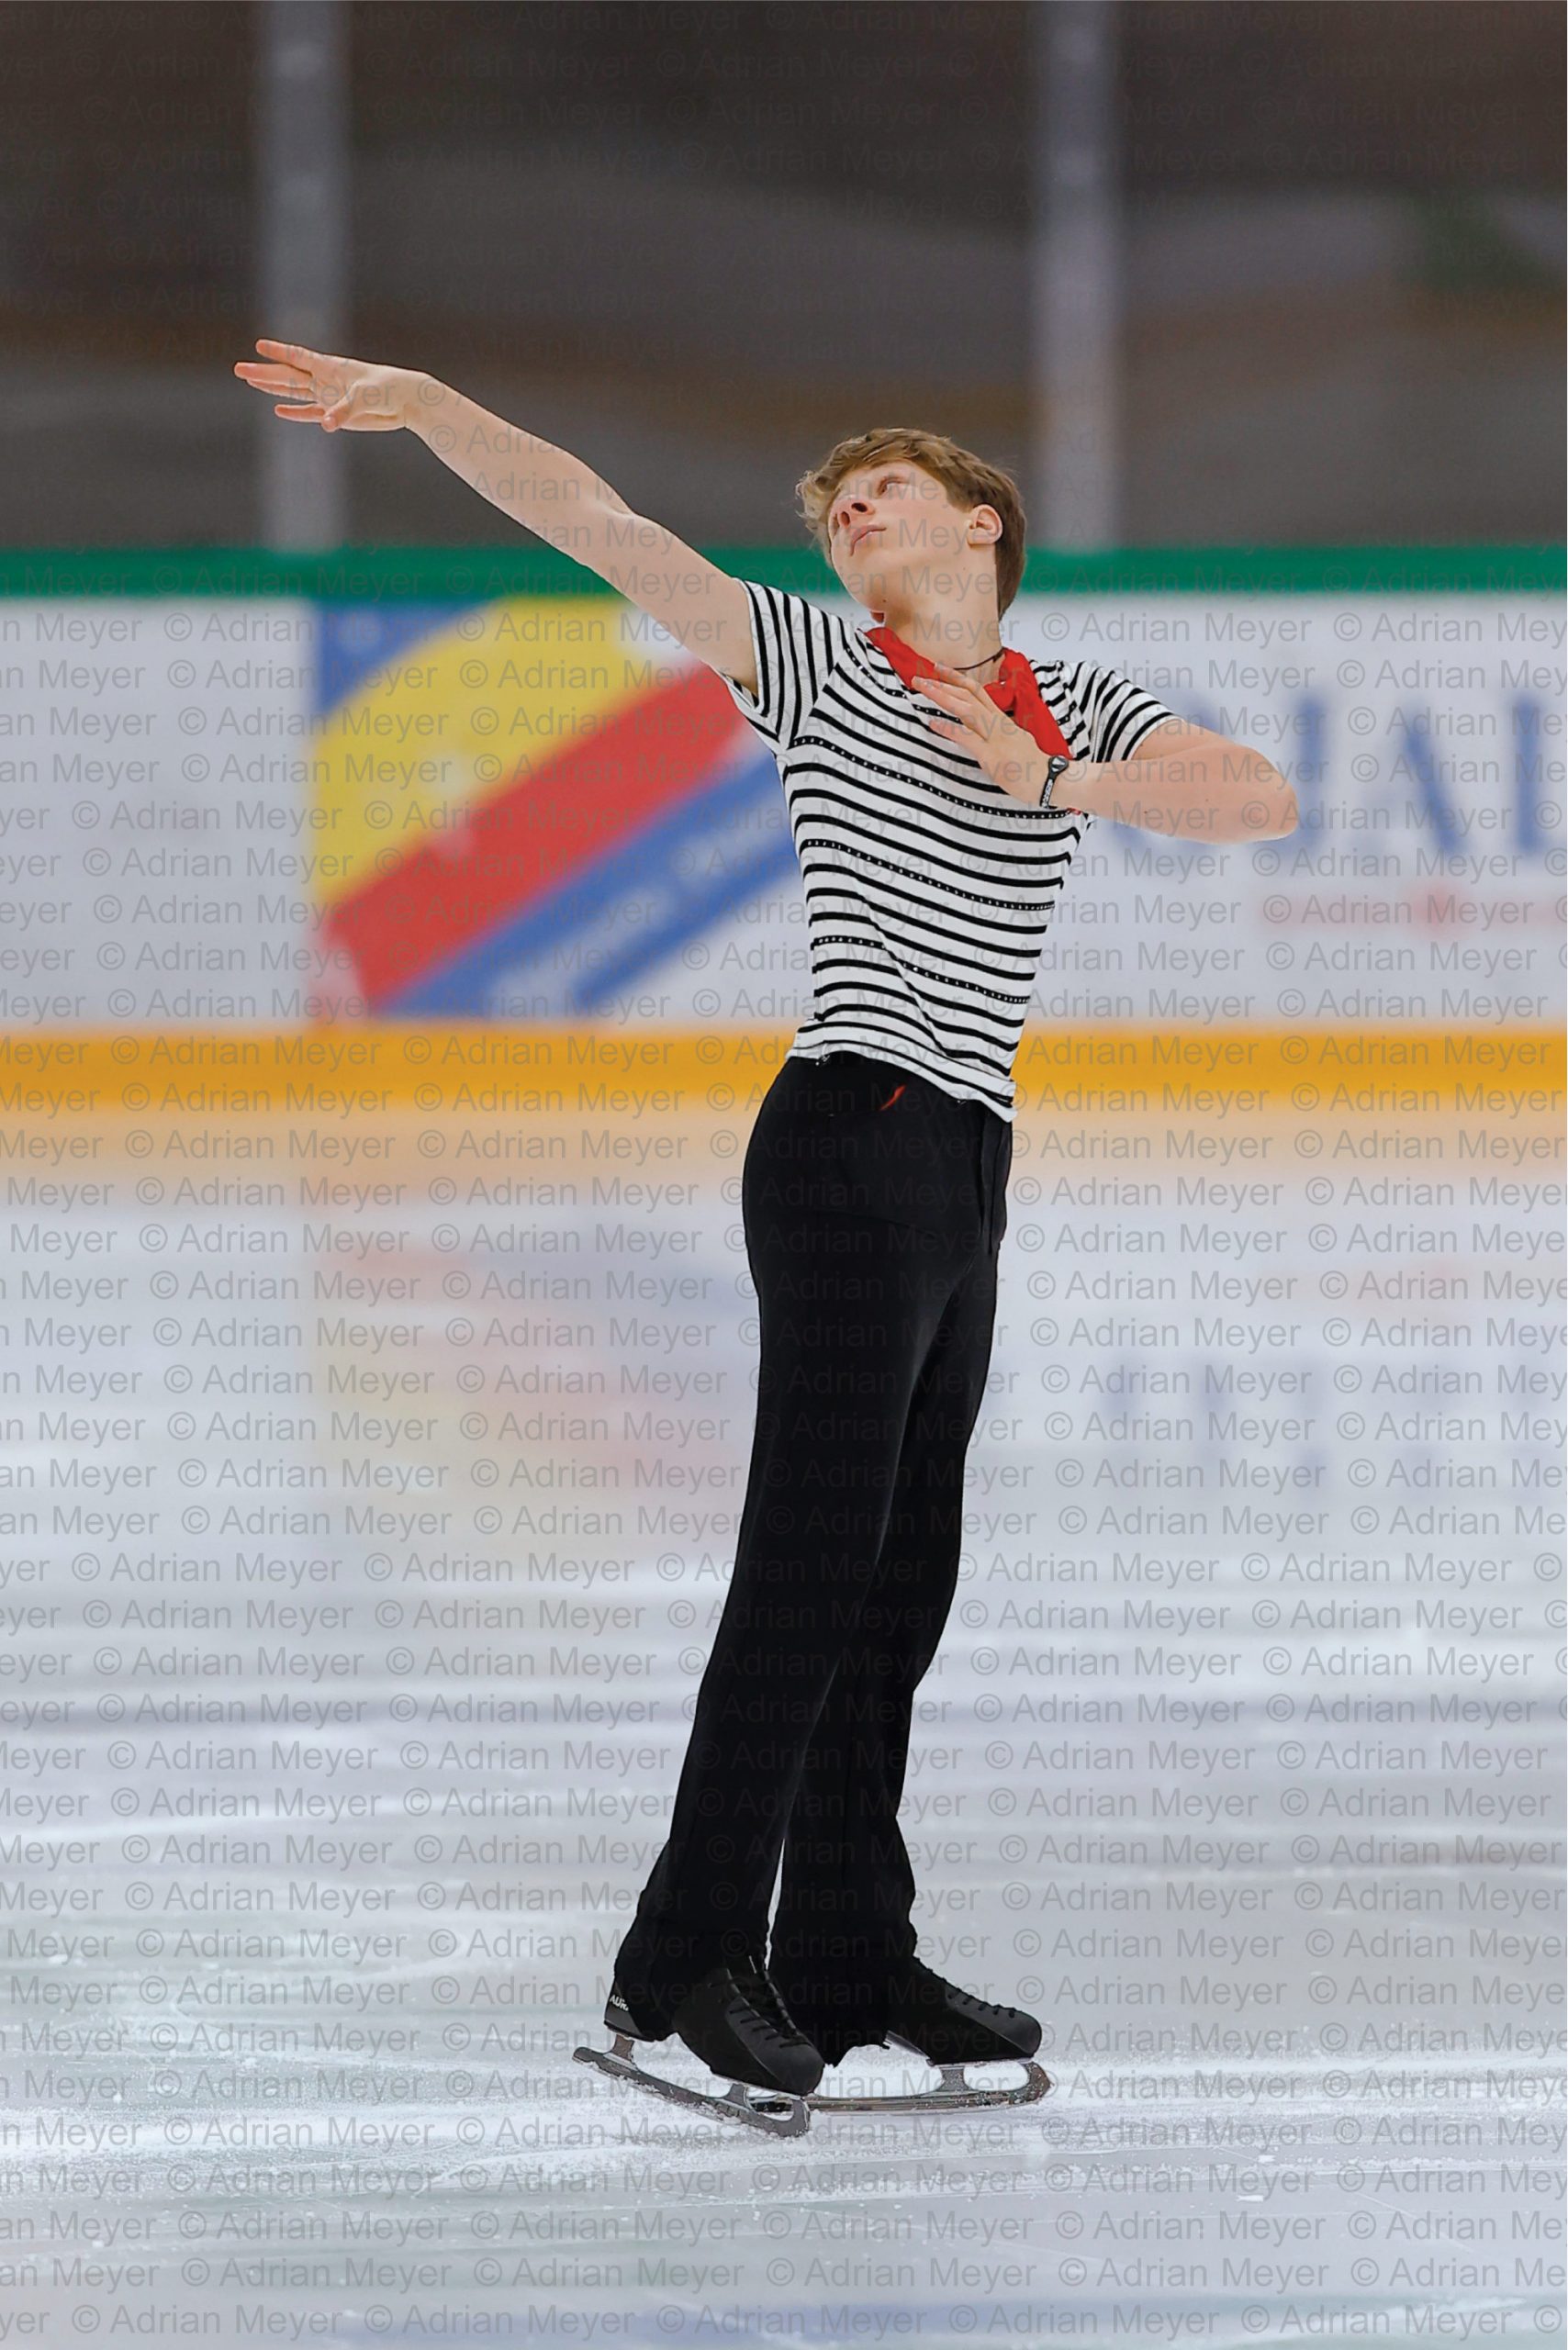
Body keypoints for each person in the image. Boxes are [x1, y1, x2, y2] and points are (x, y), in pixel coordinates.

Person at [236, 344, 1296, 2121]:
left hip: (965, 1163)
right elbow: (596, 520)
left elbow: (1251, 793)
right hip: (844, 1133)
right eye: (832, 505)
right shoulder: (807, 663)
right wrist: (426, 404)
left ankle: (846, 1950)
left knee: (899, 1582)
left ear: (979, 522)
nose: (847, 510)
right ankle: (687, 1949)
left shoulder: (1070, 698)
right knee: (808, 1562)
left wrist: (1051, 782)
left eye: (879, 487)